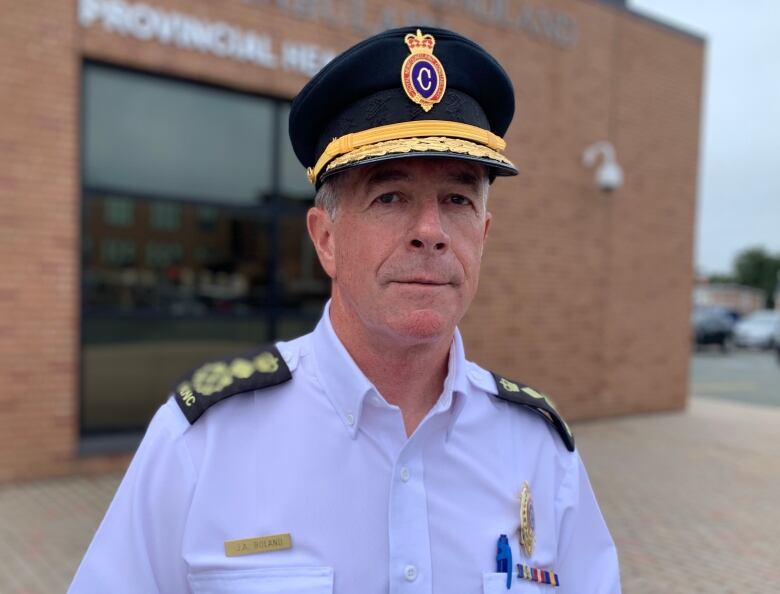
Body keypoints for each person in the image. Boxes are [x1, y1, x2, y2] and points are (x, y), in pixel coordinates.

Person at [70, 26, 621, 594]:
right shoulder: (205, 443)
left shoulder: (538, 450)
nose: (430, 232)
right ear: (325, 238)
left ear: (483, 233)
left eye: (457, 199)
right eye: (390, 197)